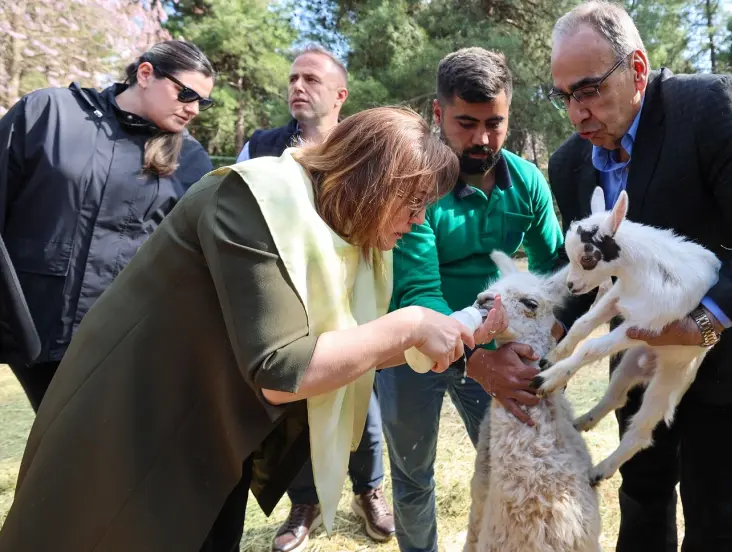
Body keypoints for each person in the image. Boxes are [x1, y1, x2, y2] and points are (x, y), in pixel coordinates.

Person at [0, 106, 509, 552]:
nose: (419, 222)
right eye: (413, 204)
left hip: (213, 435)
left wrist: (451, 333)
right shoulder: (254, 198)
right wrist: (411, 324)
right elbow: (282, 369)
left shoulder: (341, 226)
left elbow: (349, 346)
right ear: (372, 182)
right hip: (136, 425)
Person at [546, 2, 732, 551]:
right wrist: (549, 337)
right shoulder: (570, 164)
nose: (577, 113)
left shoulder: (710, 108)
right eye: (565, 97)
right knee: (642, 502)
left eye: (589, 90)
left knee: (723, 527)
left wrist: (704, 323)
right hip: (644, 352)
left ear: (637, 70)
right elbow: (590, 268)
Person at [376, 47, 566, 552]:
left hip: (494, 346)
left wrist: (552, 336)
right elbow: (420, 292)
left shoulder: (527, 183)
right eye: (466, 123)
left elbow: (551, 270)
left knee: (510, 462)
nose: (482, 139)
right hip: (411, 349)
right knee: (412, 473)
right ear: (438, 114)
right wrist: (478, 362)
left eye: (494, 123)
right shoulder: (416, 184)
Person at [0, 40, 215, 411]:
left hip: (124, 337)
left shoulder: (192, 160)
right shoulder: (49, 113)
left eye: (203, 102)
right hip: (36, 327)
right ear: (145, 74)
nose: (193, 109)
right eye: (187, 94)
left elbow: (193, 258)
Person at [237, 45, 394, 551]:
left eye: (311, 79)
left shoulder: (361, 149)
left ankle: (368, 491)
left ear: (340, 95)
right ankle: (303, 502)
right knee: (298, 403)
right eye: (293, 78)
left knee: (360, 393)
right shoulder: (261, 147)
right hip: (287, 299)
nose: (298, 87)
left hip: (352, 296)